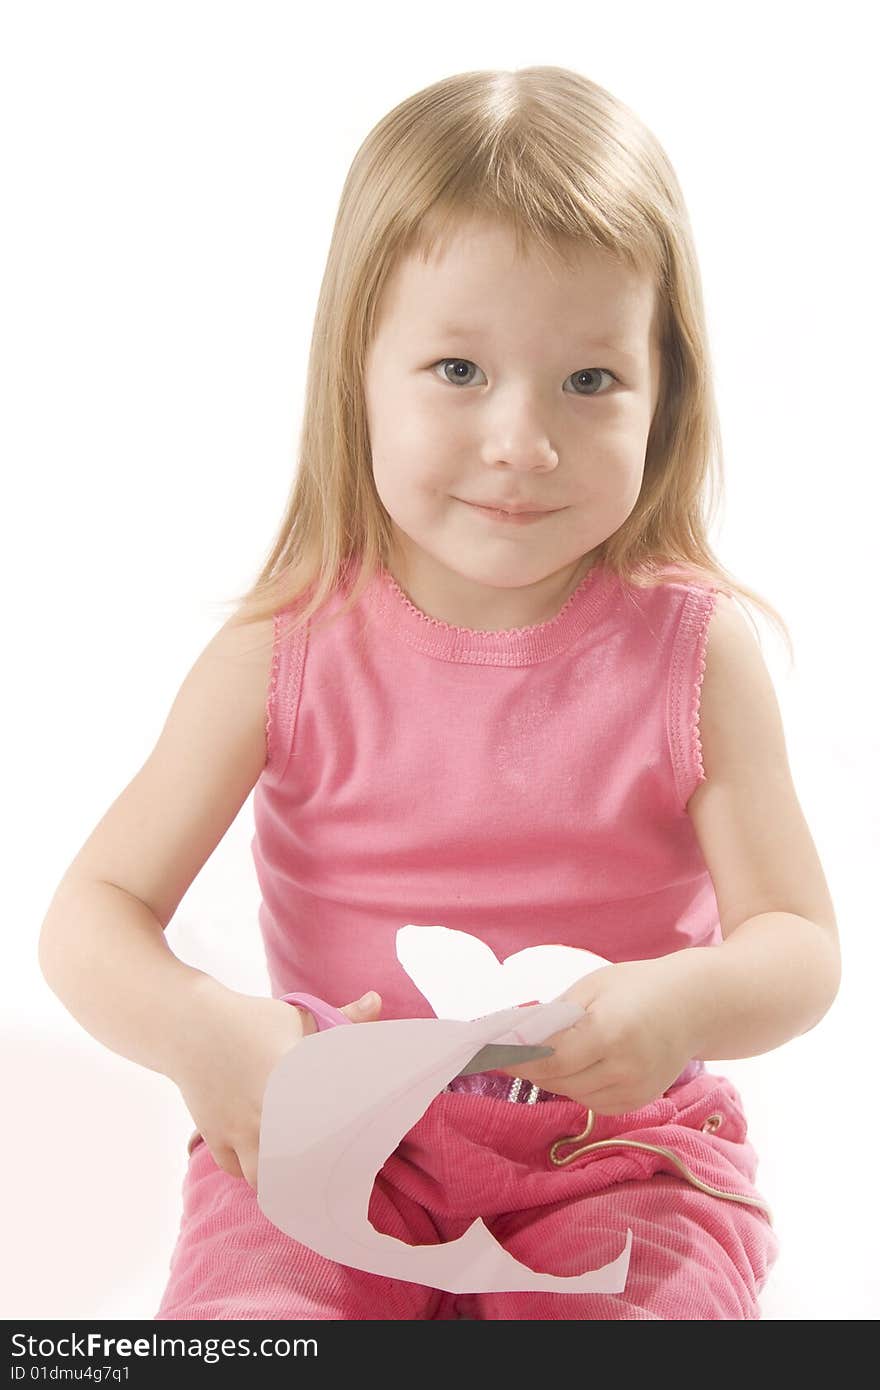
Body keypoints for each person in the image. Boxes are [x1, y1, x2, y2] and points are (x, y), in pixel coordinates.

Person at [37, 65, 841, 1321]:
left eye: (590, 381)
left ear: (665, 389)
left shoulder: (695, 652)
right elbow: (91, 913)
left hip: (623, 1149)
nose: (523, 441)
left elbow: (799, 947)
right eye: (458, 370)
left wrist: (681, 1001)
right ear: (356, 374)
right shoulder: (284, 649)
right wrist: (207, 1033)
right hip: (330, 1136)